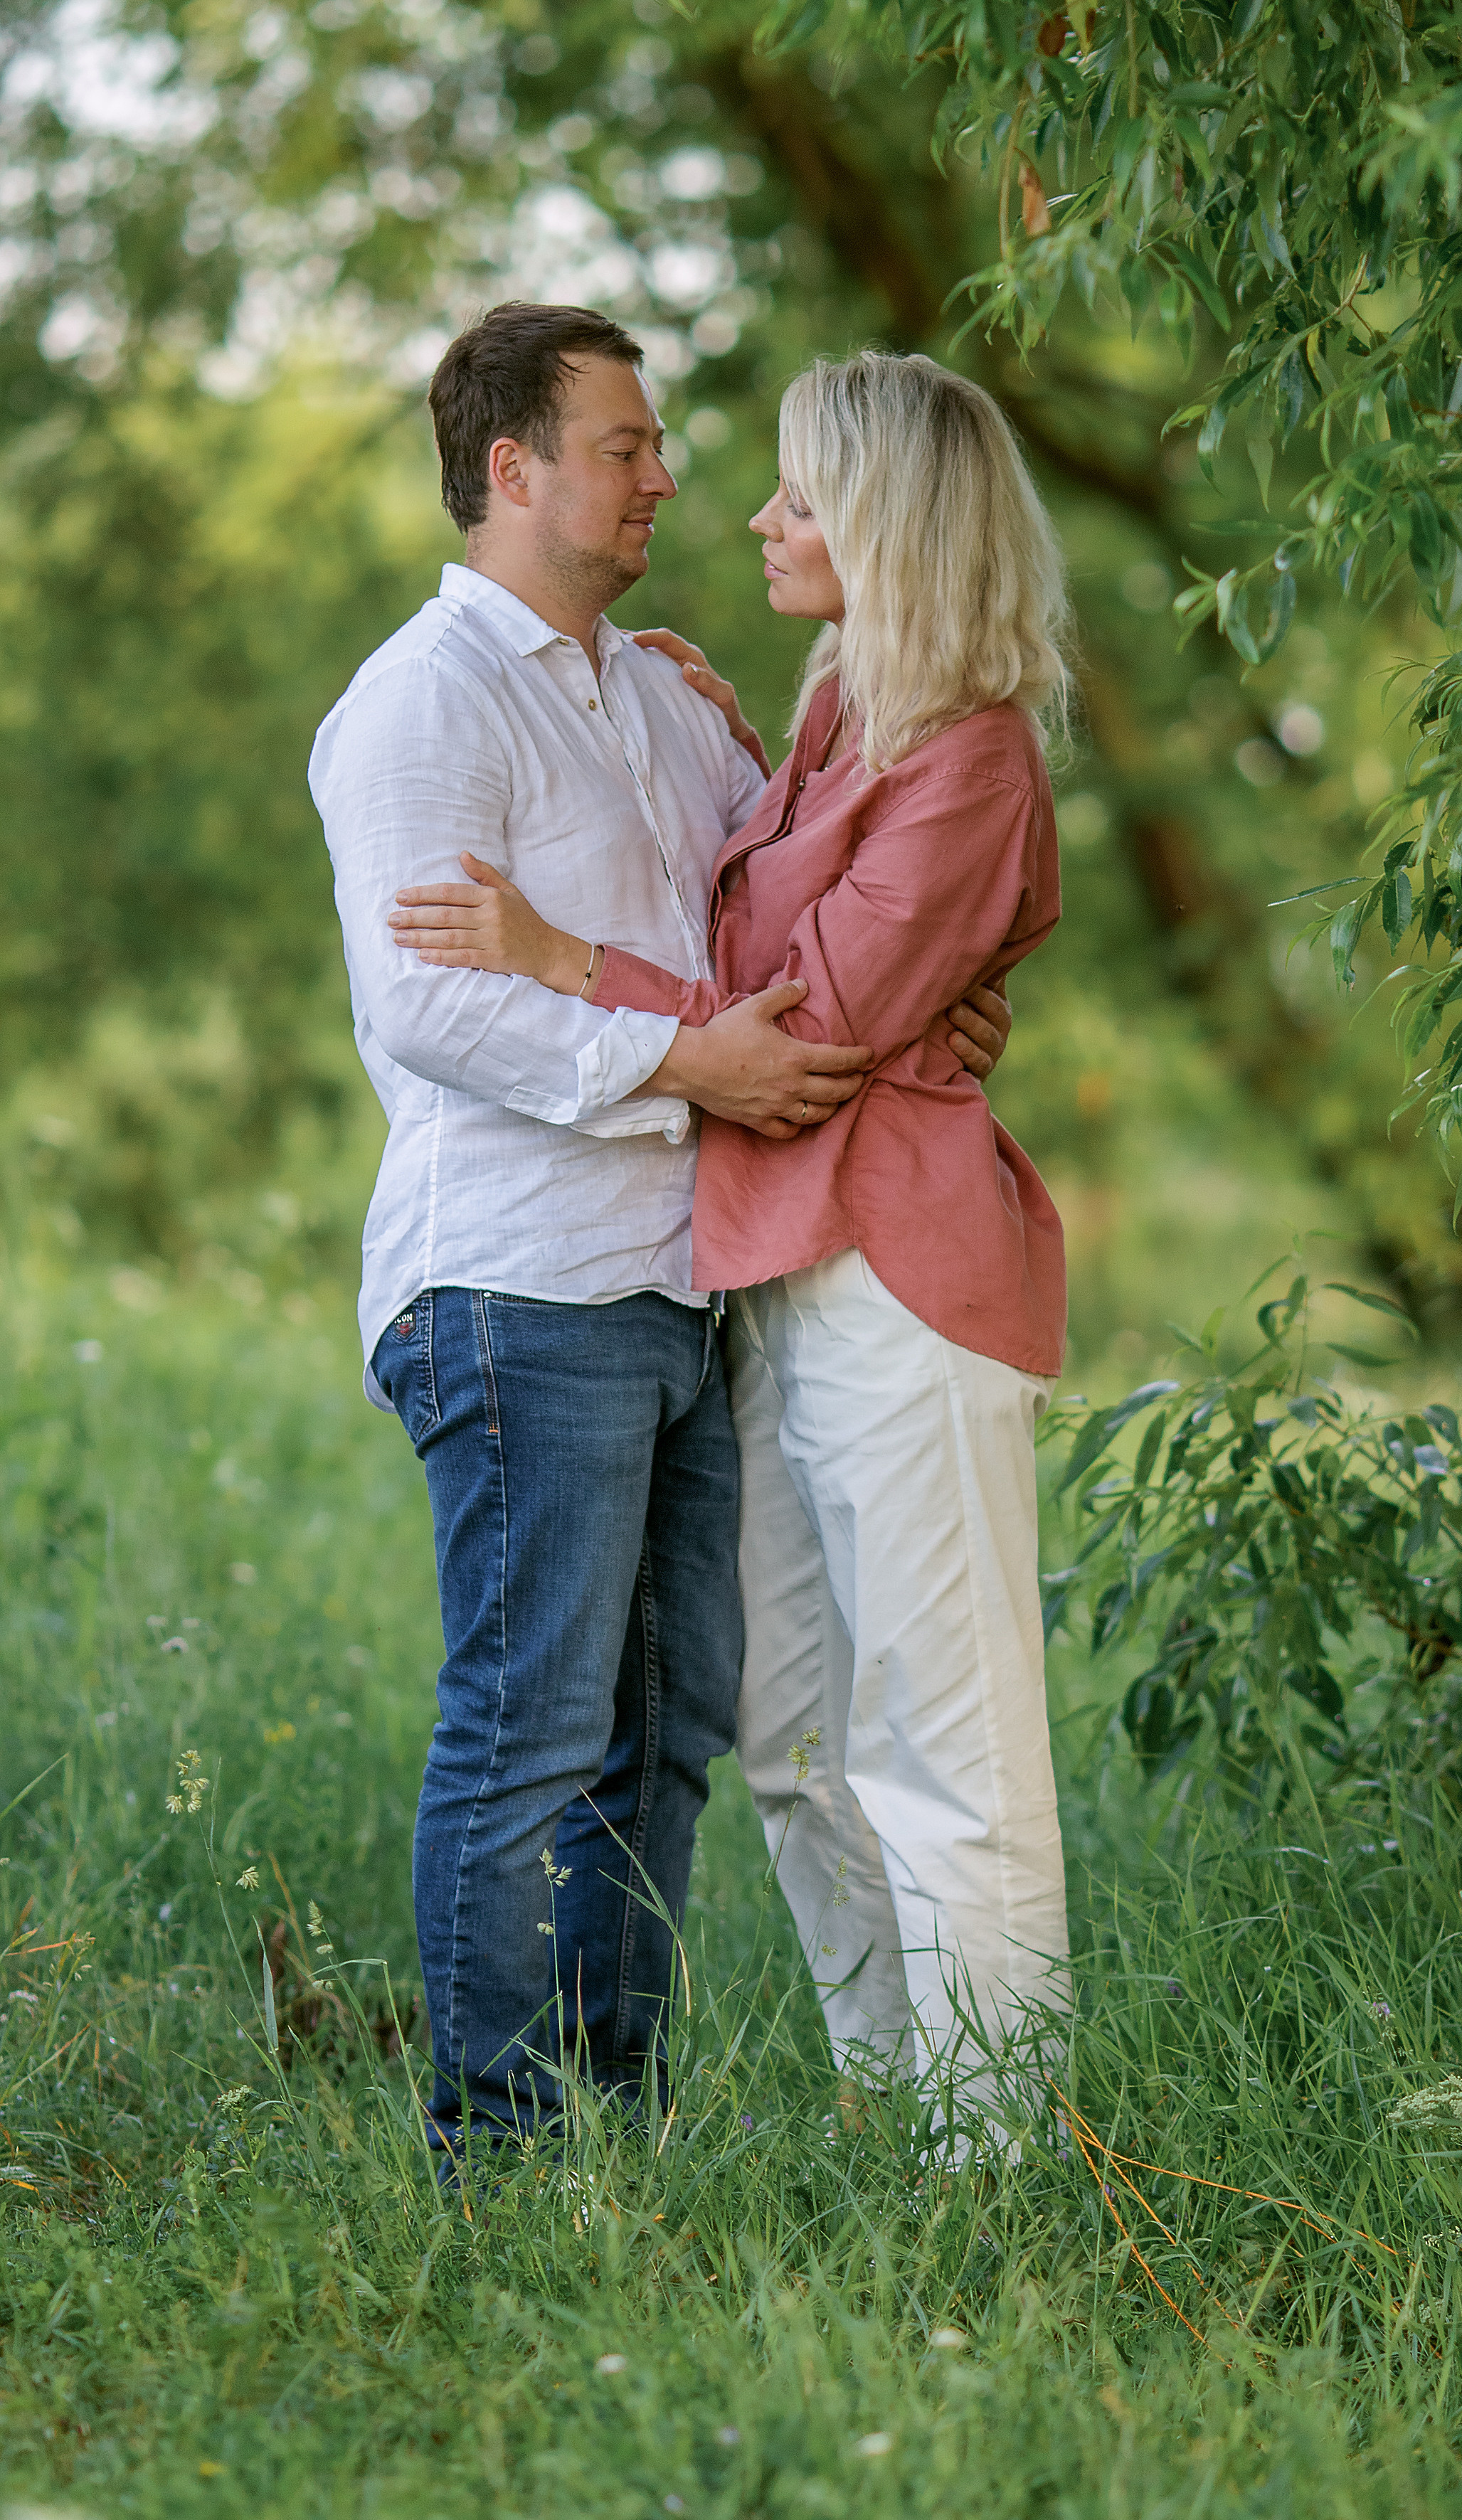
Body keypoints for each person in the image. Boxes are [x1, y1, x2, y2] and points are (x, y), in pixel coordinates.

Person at [310, 305, 1010, 2166]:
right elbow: (427, 1006)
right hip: (518, 1279)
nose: (664, 480)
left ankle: (612, 2128)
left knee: (662, 1736)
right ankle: (500, 2156)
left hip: (685, 1279)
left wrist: (928, 993)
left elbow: (777, 934)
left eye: (656, 445)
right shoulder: (423, 702)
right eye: (623, 447)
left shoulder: (668, 703)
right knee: (531, 1731)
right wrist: (684, 1064)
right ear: (513, 470)